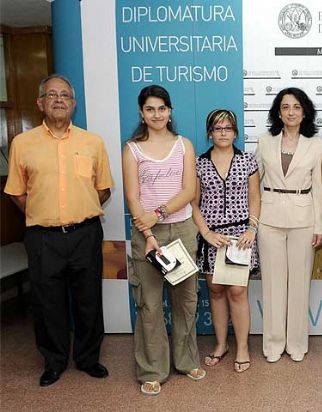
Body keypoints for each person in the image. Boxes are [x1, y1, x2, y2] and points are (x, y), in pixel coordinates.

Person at [4, 74, 113, 386]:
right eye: (51, 94)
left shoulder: (92, 142)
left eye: (65, 94)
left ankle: (89, 358)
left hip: (85, 234)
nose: (59, 99)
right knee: (47, 302)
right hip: (42, 238)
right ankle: (53, 361)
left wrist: (78, 210)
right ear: (40, 103)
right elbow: (16, 191)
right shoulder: (22, 144)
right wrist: (43, 213)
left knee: (88, 300)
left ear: (74, 103)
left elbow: (102, 189)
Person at [122, 85, 205, 396]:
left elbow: (188, 192)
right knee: (150, 304)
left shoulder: (184, 145)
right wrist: (148, 235)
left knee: (186, 302)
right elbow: (132, 197)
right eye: (150, 109)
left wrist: (158, 213)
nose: (156, 114)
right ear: (142, 114)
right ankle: (152, 369)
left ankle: (187, 360)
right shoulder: (131, 149)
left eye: (162, 108)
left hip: (182, 230)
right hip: (148, 237)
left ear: (170, 111)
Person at [256, 87, 322, 363]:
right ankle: (273, 344)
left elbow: (319, 189)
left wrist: (320, 225)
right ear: (278, 112)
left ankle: (297, 343)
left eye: (296, 107)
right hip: (269, 217)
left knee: (299, 285)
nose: (291, 112)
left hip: (303, 219)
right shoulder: (264, 142)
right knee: (272, 284)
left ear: (304, 111)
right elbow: (254, 183)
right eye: (285, 107)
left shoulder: (317, 145)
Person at [192, 109, 260, 373]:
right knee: (216, 292)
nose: (223, 133)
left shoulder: (247, 161)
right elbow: (193, 203)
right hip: (212, 238)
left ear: (235, 132)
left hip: (240, 237)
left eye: (228, 128)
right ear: (210, 133)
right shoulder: (199, 163)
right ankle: (221, 344)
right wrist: (206, 233)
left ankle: (242, 347)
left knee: (237, 292)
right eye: (218, 128)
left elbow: (255, 197)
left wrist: (252, 229)